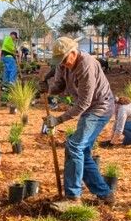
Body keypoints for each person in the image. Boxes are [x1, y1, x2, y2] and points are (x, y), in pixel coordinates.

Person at [43, 37, 115, 205]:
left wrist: (58, 120)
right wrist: (48, 89)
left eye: (64, 60)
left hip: (100, 108)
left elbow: (84, 103)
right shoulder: (63, 64)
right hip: (88, 108)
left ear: (73, 53)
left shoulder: (86, 65)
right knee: (81, 150)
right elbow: (59, 85)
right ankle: (105, 194)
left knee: (74, 145)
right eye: (59, 61)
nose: (62, 64)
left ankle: (73, 197)